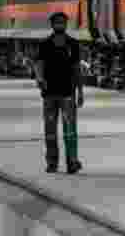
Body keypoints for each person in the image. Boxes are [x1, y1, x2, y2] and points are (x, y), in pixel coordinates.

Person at [34, 12, 84, 174]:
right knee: (50, 130)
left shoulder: (73, 44)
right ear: (52, 25)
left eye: (62, 23)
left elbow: (77, 69)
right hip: (49, 93)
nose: (60, 25)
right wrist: (40, 78)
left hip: (68, 93)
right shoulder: (45, 45)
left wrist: (80, 91)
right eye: (57, 23)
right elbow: (39, 64)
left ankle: (72, 161)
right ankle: (52, 162)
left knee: (70, 130)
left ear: (66, 25)